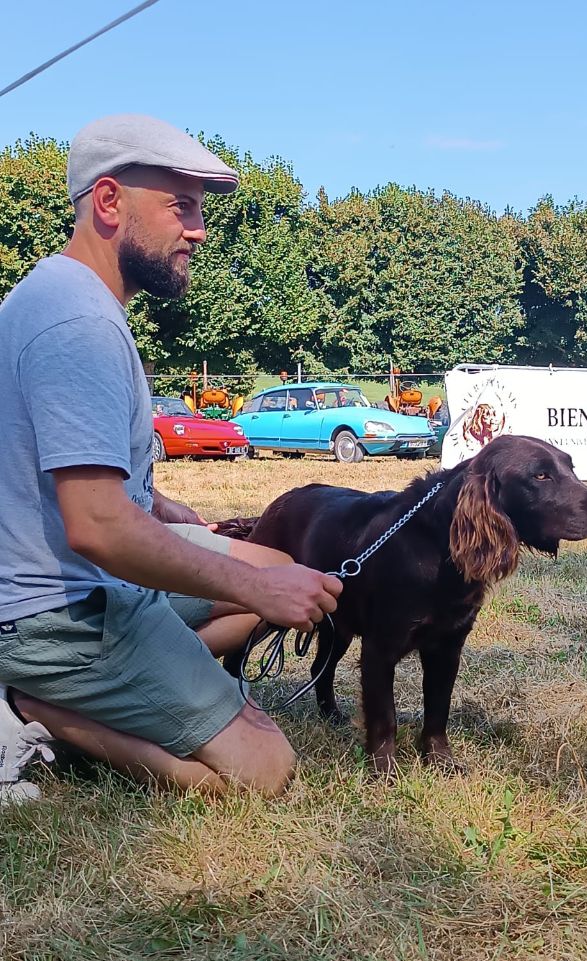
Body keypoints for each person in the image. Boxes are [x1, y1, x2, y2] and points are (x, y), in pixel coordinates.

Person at [0, 114, 342, 805]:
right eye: (180, 207)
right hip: (57, 609)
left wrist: (153, 505)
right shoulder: (80, 326)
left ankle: (152, 677)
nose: (199, 231)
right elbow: (96, 527)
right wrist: (253, 591)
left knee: (282, 567)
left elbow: (43, 463)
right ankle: (38, 709)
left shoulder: (56, 293)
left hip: (80, 575)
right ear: (108, 203)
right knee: (264, 769)